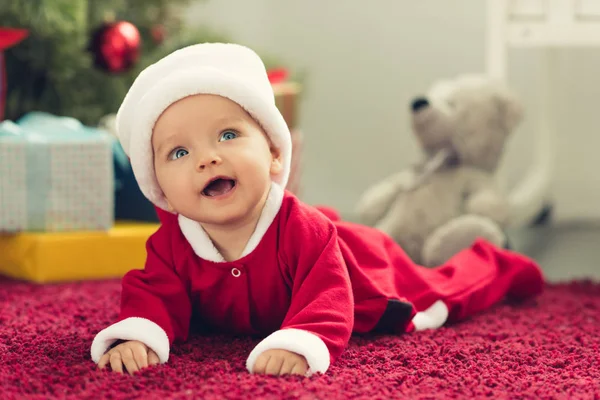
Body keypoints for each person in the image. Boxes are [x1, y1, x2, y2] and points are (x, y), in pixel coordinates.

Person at [90, 43, 544, 377]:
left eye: (228, 135)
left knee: (441, 293)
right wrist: (140, 333)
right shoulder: (172, 243)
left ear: (273, 154)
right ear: (161, 192)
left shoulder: (302, 231)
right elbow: (153, 294)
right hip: (326, 244)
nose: (207, 158)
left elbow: (326, 294)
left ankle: (493, 258)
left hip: (363, 278)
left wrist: (304, 340)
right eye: (178, 153)